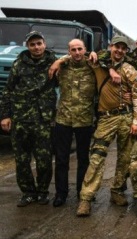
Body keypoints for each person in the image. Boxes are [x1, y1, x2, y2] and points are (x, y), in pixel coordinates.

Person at [76, 35, 137, 216]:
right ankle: (86, 198)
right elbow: (77, 56)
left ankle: (117, 190)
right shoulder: (98, 63)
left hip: (126, 117)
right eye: (117, 47)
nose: (119, 51)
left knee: (125, 158)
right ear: (110, 47)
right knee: (97, 157)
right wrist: (57, 63)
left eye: (123, 48)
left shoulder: (129, 70)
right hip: (106, 119)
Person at [0, 31, 56, 207]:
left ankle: (42, 192)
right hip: (21, 119)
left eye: (39, 43)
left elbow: (76, 58)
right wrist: (6, 115)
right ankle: (28, 193)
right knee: (22, 160)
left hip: (43, 120)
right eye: (32, 44)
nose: (36, 47)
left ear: (44, 44)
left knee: (44, 160)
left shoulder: (54, 63)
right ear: (28, 46)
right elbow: (7, 90)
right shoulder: (19, 65)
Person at [52, 39, 96, 207]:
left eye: (80, 49)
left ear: (85, 49)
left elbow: (108, 57)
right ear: (68, 51)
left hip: (84, 120)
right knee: (62, 159)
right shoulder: (61, 67)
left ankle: (82, 192)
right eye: (73, 50)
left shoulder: (93, 66)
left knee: (83, 159)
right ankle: (61, 194)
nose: (77, 53)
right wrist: (59, 60)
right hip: (63, 119)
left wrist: (95, 54)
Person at [98, 32, 137, 133]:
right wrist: (110, 69)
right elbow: (103, 55)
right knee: (131, 144)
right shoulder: (127, 58)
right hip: (131, 109)